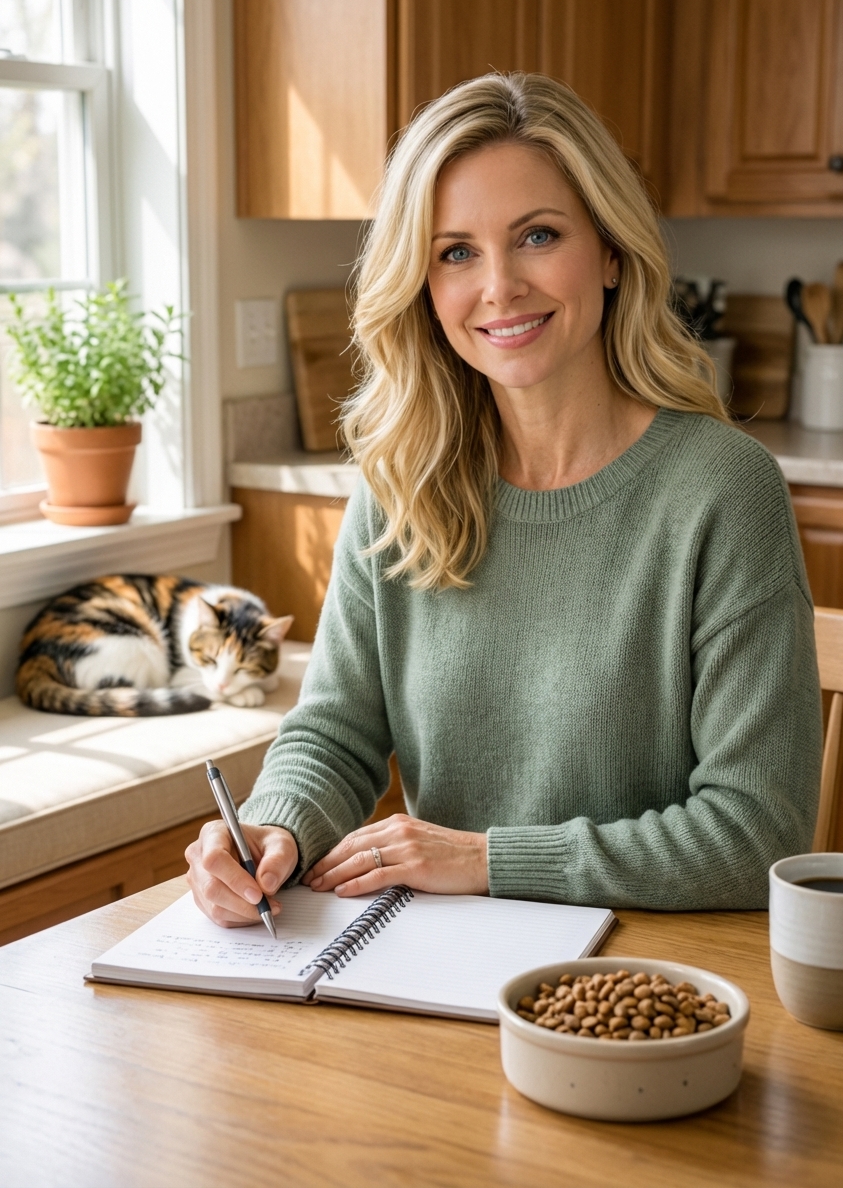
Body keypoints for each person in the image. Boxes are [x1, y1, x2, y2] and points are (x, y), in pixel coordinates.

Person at [187, 73, 822, 926]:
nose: (498, 287)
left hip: (648, 981)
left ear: (608, 250)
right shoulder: (400, 483)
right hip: (440, 966)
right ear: (423, 284)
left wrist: (490, 859)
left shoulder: (720, 490)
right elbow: (334, 732)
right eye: (455, 252)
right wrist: (273, 829)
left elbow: (754, 835)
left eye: (536, 235)